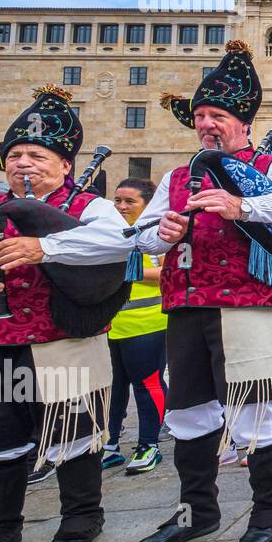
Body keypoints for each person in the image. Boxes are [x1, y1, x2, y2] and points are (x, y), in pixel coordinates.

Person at [126, 40, 272, 542]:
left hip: (246, 307)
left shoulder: (269, 166)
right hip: (187, 308)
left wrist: (241, 205)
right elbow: (142, 238)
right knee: (189, 412)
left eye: (217, 115)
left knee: (258, 411)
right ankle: (197, 510)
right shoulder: (177, 177)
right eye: (201, 116)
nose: (207, 124)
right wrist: (162, 233)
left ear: (242, 123)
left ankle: (268, 511)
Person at [0, 85, 129, 542]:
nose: (24, 162)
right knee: (0, 435)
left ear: (65, 164)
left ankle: (81, 518)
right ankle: (1, 524)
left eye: (38, 154)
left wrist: (43, 248)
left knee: (74, 434)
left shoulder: (89, 206)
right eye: (16, 154)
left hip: (61, 340)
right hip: (0, 342)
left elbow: (117, 245)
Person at [104, 177, 169, 475]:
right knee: (112, 387)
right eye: (118, 200)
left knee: (148, 383)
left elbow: (169, 271)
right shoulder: (106, 230)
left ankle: (148, 443)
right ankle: (109, 442)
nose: (121, 206)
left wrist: (126, 269)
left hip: (148, 322)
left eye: (130, 201)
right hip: (110, 325)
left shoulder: (157, 233)